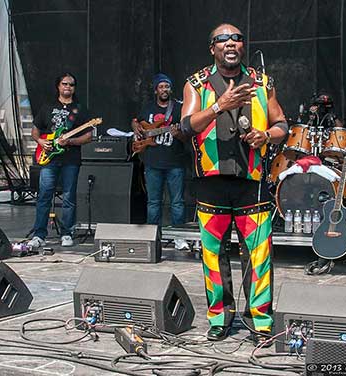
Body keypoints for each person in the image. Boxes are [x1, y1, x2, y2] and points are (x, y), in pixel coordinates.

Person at [180, 23, 287, 346]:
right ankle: (220, 317)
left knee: (258, 254)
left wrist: (266, 135)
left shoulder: (262, 83)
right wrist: (218, 106)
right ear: (212, 48)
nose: (231, 43)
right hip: (211, 184)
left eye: (237, 38)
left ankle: (260, 321)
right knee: (213, 255)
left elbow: (282, 122)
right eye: (222, 39)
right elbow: (184, 127)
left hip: (251, 183)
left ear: (242, 47)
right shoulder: (196, 84)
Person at [28, 73, 92, 248]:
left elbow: (88, 137)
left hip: (70, 159)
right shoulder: (48, 107)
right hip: (49, 158)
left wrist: (70, 141)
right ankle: (39, 234)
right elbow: (35, 130)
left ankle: (67, 233)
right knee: (44, 196)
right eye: (64, 84)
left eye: (71, 84)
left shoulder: (80, 109)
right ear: (58, 86)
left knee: (69, 196)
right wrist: (41, 141)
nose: (68, 87)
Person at [131, 74, 190, 251]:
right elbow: (136, 122)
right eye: (161, 87)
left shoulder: (179, 109)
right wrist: (137, 129)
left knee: (177, 202)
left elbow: (187, 134)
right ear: (156, 89)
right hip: (152, 162)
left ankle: (179, 237)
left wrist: (177, 133)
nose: (164, 90)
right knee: (153, 202)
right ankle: (152, 237)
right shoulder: (148, 107)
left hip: (175, 162)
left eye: (167, 87)